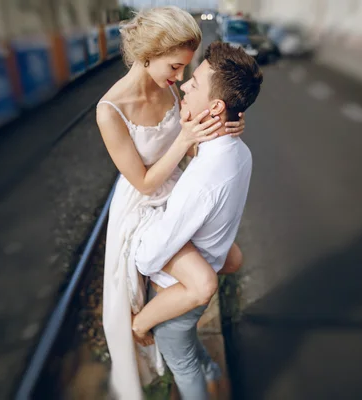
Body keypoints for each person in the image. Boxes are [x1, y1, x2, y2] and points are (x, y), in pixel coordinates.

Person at [95, 7, 246, 400]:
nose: (179, 78)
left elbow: (196, 135)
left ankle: (179, 326)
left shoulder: (168, 87)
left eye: (184, 71)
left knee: (233, 258)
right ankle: (145, 324)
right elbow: (144, 182)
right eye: (175, 66)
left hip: (177, 189)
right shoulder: (109, 111)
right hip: (143, 205)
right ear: (149, 52)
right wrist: (183, 141)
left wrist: (229, 124)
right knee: (203, 281)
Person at [133, 41, 263, 400]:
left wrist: (142, 320)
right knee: (191, 351)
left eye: (195, 83)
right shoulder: (240, 152)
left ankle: (206, 378)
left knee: (183, 366)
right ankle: (214, 372)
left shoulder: (204, 179)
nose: (184, 86)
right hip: (197, 285)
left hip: (172, 297)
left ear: (216, 106)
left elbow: (148, 257)